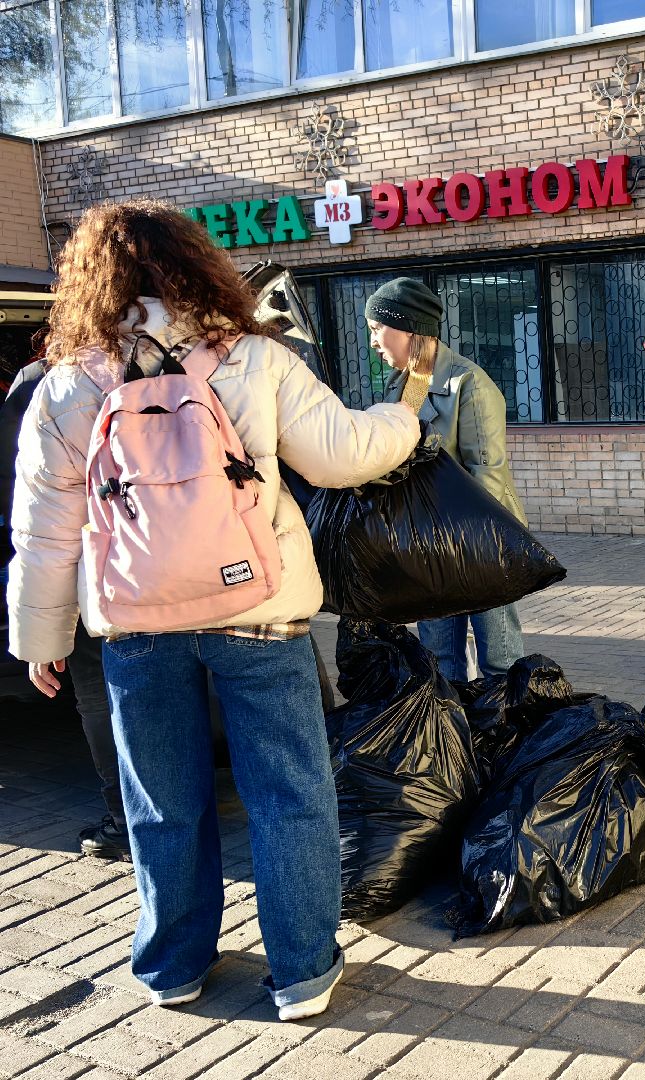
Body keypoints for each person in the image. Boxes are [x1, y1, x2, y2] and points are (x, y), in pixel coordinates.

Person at [7, 200, 420, 1020]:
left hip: (135, 624)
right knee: (290, 795)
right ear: (198, 267)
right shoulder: (252, 359)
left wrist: (41, 639)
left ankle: (173, 967)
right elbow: (343, 454)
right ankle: (302, 972)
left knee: (161, 800)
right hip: (257, 609)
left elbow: (45, 531)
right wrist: (402, 414)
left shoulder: (67, 383)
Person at [367, 277, 529, 683]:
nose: (373, 341)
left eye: (376, 329)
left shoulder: (470, 385)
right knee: (439, 661)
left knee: (500, 662)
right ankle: (454, 737)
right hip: (426, 547)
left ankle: (511, 737)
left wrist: (475, 554)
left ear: (407, 329)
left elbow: (487, 478)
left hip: (480, 544)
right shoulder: (399, 388)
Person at [2, 360, 128, 861]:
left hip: (86, 571)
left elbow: (37, 517)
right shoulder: (179, 354)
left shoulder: (46, 381)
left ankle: (125, 821)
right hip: (165, 567)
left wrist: (40, 638)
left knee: (100, 698)